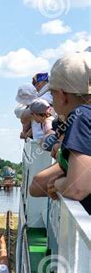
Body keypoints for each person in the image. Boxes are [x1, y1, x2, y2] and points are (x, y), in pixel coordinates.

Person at [29, 52, 91, 214]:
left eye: (53, 93)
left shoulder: (82, 116)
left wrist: (58, 184)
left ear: (62, 95)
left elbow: (78, 188)